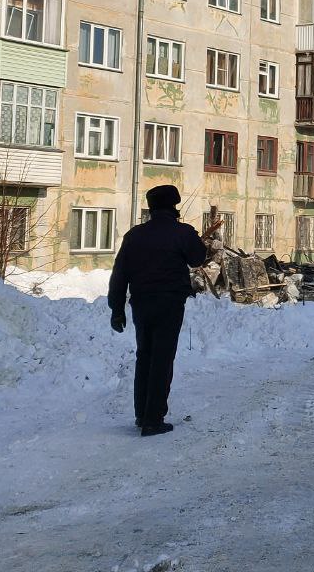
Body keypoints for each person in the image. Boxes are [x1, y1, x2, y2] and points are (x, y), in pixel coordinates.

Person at [108, 184, 208, 437]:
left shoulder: (134, 235)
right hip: (170, 303)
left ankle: (142, 415)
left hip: (141, 303)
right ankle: (154, 419)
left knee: (145, 356)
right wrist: (195, 238)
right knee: (162, 359)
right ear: (173, 206)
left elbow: (119, 274)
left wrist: (116, 309)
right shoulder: (182, 232)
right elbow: (197, 259)